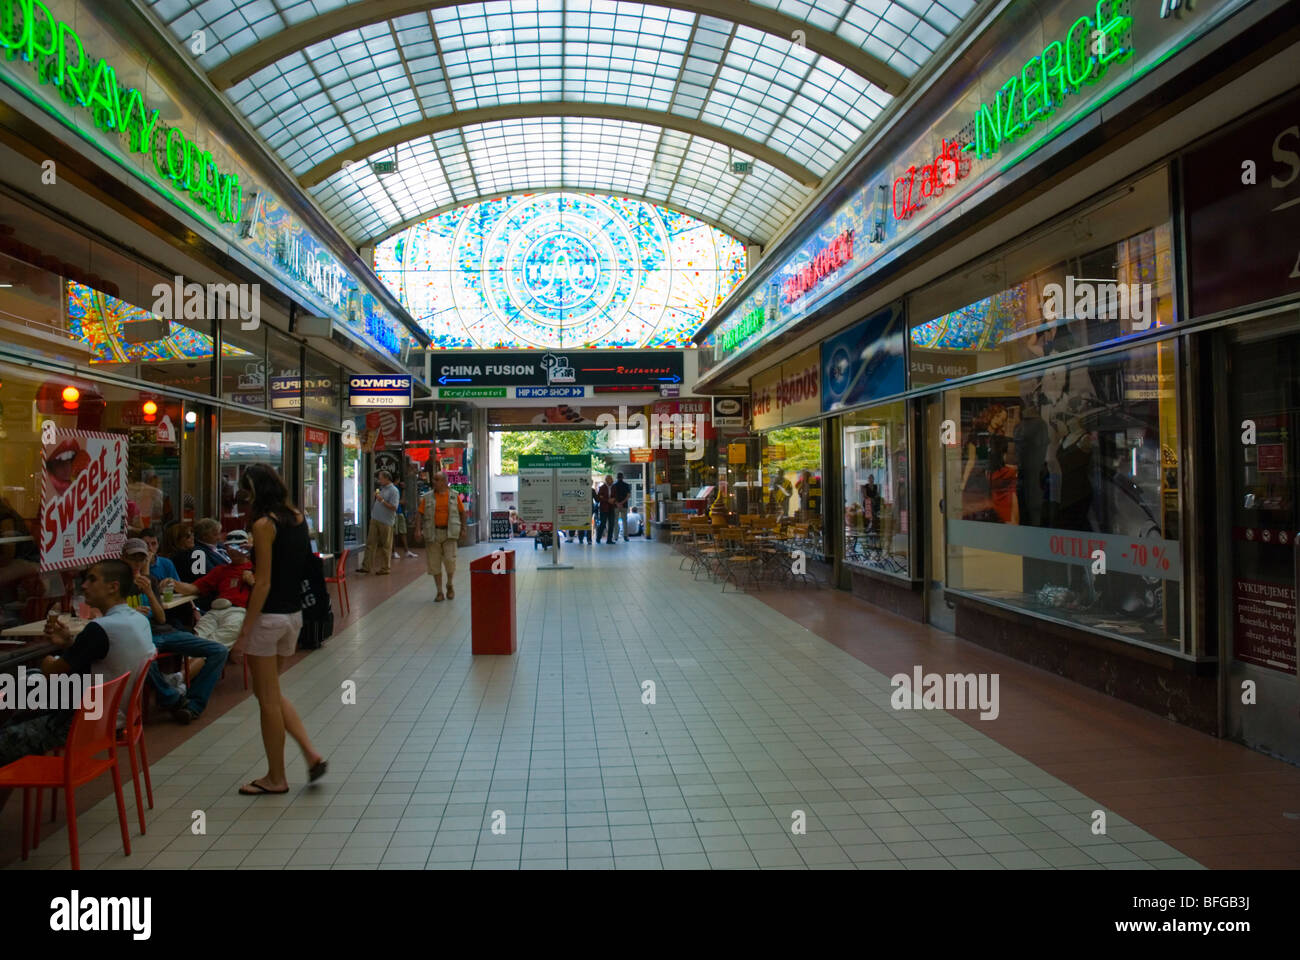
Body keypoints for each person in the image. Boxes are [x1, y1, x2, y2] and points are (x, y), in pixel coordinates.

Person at [0, 560, 155, 793]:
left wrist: (49, 654)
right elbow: (100, 655)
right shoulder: (138, 620)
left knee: (14, 706)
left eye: (92, 579)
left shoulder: (101, 628)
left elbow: (52, 669)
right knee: (20, 698)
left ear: (113, 587)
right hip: (112, 719)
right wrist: (71, 644)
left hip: (82, 725)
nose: (84, 586)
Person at [230, 463, 326, 796]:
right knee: (269, 691)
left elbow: (265, 582)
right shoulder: (298, 518)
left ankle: (276, 777)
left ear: (254, 491)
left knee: (267, 700)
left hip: (268, 618)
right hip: (293, 617)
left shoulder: (263, 525)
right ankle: (310, 753)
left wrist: (243, 633)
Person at [122, 538, 228, 724]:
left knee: (219, 650)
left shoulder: (150, 581)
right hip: (141, 636)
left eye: (141, 559)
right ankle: (174, 700)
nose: (137, 563)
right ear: (123, 558)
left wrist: (148, 591)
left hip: (163, 630)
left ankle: (193, 705)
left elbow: (161, 617)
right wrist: (130, 612)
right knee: (144, 659)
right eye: (133, 559)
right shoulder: (117, 584)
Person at [167, 529, 256, 648]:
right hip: (215, 611)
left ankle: (192, 665)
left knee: (211, 647)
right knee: (195, 641)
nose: (233, 550)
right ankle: (190, 664)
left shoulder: (257, 568)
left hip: (238, 612)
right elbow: (193, 588)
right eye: (230, 546)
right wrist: (172, 583)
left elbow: (269, 593)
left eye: (238, 546)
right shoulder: (221, 570)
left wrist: (252, 583)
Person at [422, 470, 467, 602]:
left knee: (449, 560)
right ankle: (439, 591)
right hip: (433, 533)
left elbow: (462, 513)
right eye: (434, 479)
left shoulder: (453, 496)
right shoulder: (427, 497)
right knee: (434, 563)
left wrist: (463, 529)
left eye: (437, 480)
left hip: (450, 533)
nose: (434, 482)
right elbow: (420, 513)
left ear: (444, 482)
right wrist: (418, 530)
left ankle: (450, 584)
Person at [357, 470, 400, 575]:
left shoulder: (394, 491)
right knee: (371, 543)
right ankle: (366, 566)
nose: (379, 480)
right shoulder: (382, 489)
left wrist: (381, 500)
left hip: (386, 521)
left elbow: (394, 507)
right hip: (375, 518)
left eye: (381, 478)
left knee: (386, 545)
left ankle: (385, 568)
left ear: (386, 478)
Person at [393, 480, 416, 559]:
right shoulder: (393, 489)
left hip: (399, 512)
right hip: (394, 512)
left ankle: (406, 550)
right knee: (394, 533)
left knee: (402, 531)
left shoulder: (399, 489)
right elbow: (402, 501)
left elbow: (402, 501)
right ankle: (394, 551)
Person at [596, 474, 617, 544]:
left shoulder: (614, 487)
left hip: (612, 508)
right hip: (604, 508)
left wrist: (614, 499)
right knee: (603, 523)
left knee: (611, 524)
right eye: (609, 479)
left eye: (611, 479)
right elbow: (599, 497)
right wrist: (608, 500)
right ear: (606, 480)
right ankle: (598, 538)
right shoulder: (602, 487)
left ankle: (609, 540)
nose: (610, 480)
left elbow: (616, 496)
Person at [611, 472, 632, 541]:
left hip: (616, 506)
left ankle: (616, 536)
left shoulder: (614, 485)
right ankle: (625, 536)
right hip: (624, 505)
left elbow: (612, 496)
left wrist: (617, 503)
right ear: (623, 477)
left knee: (615, 521)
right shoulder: (626, 485)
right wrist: (622, 502)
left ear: (617, 477)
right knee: (624, 521)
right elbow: (628, 495)